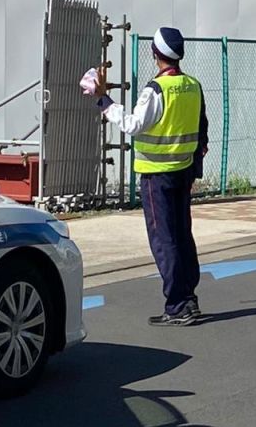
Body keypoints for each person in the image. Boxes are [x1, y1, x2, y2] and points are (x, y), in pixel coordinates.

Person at [85, 27, 209, 327]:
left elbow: (133, 124)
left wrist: (103, 100)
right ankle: (188, 298)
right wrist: (194, 168)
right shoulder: (193, 85)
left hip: (156, 175)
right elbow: (202, 128)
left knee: (163, 239)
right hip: (183, 171)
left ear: (155, 55)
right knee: (182, 235)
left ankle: (177, 305)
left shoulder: (155, 90)